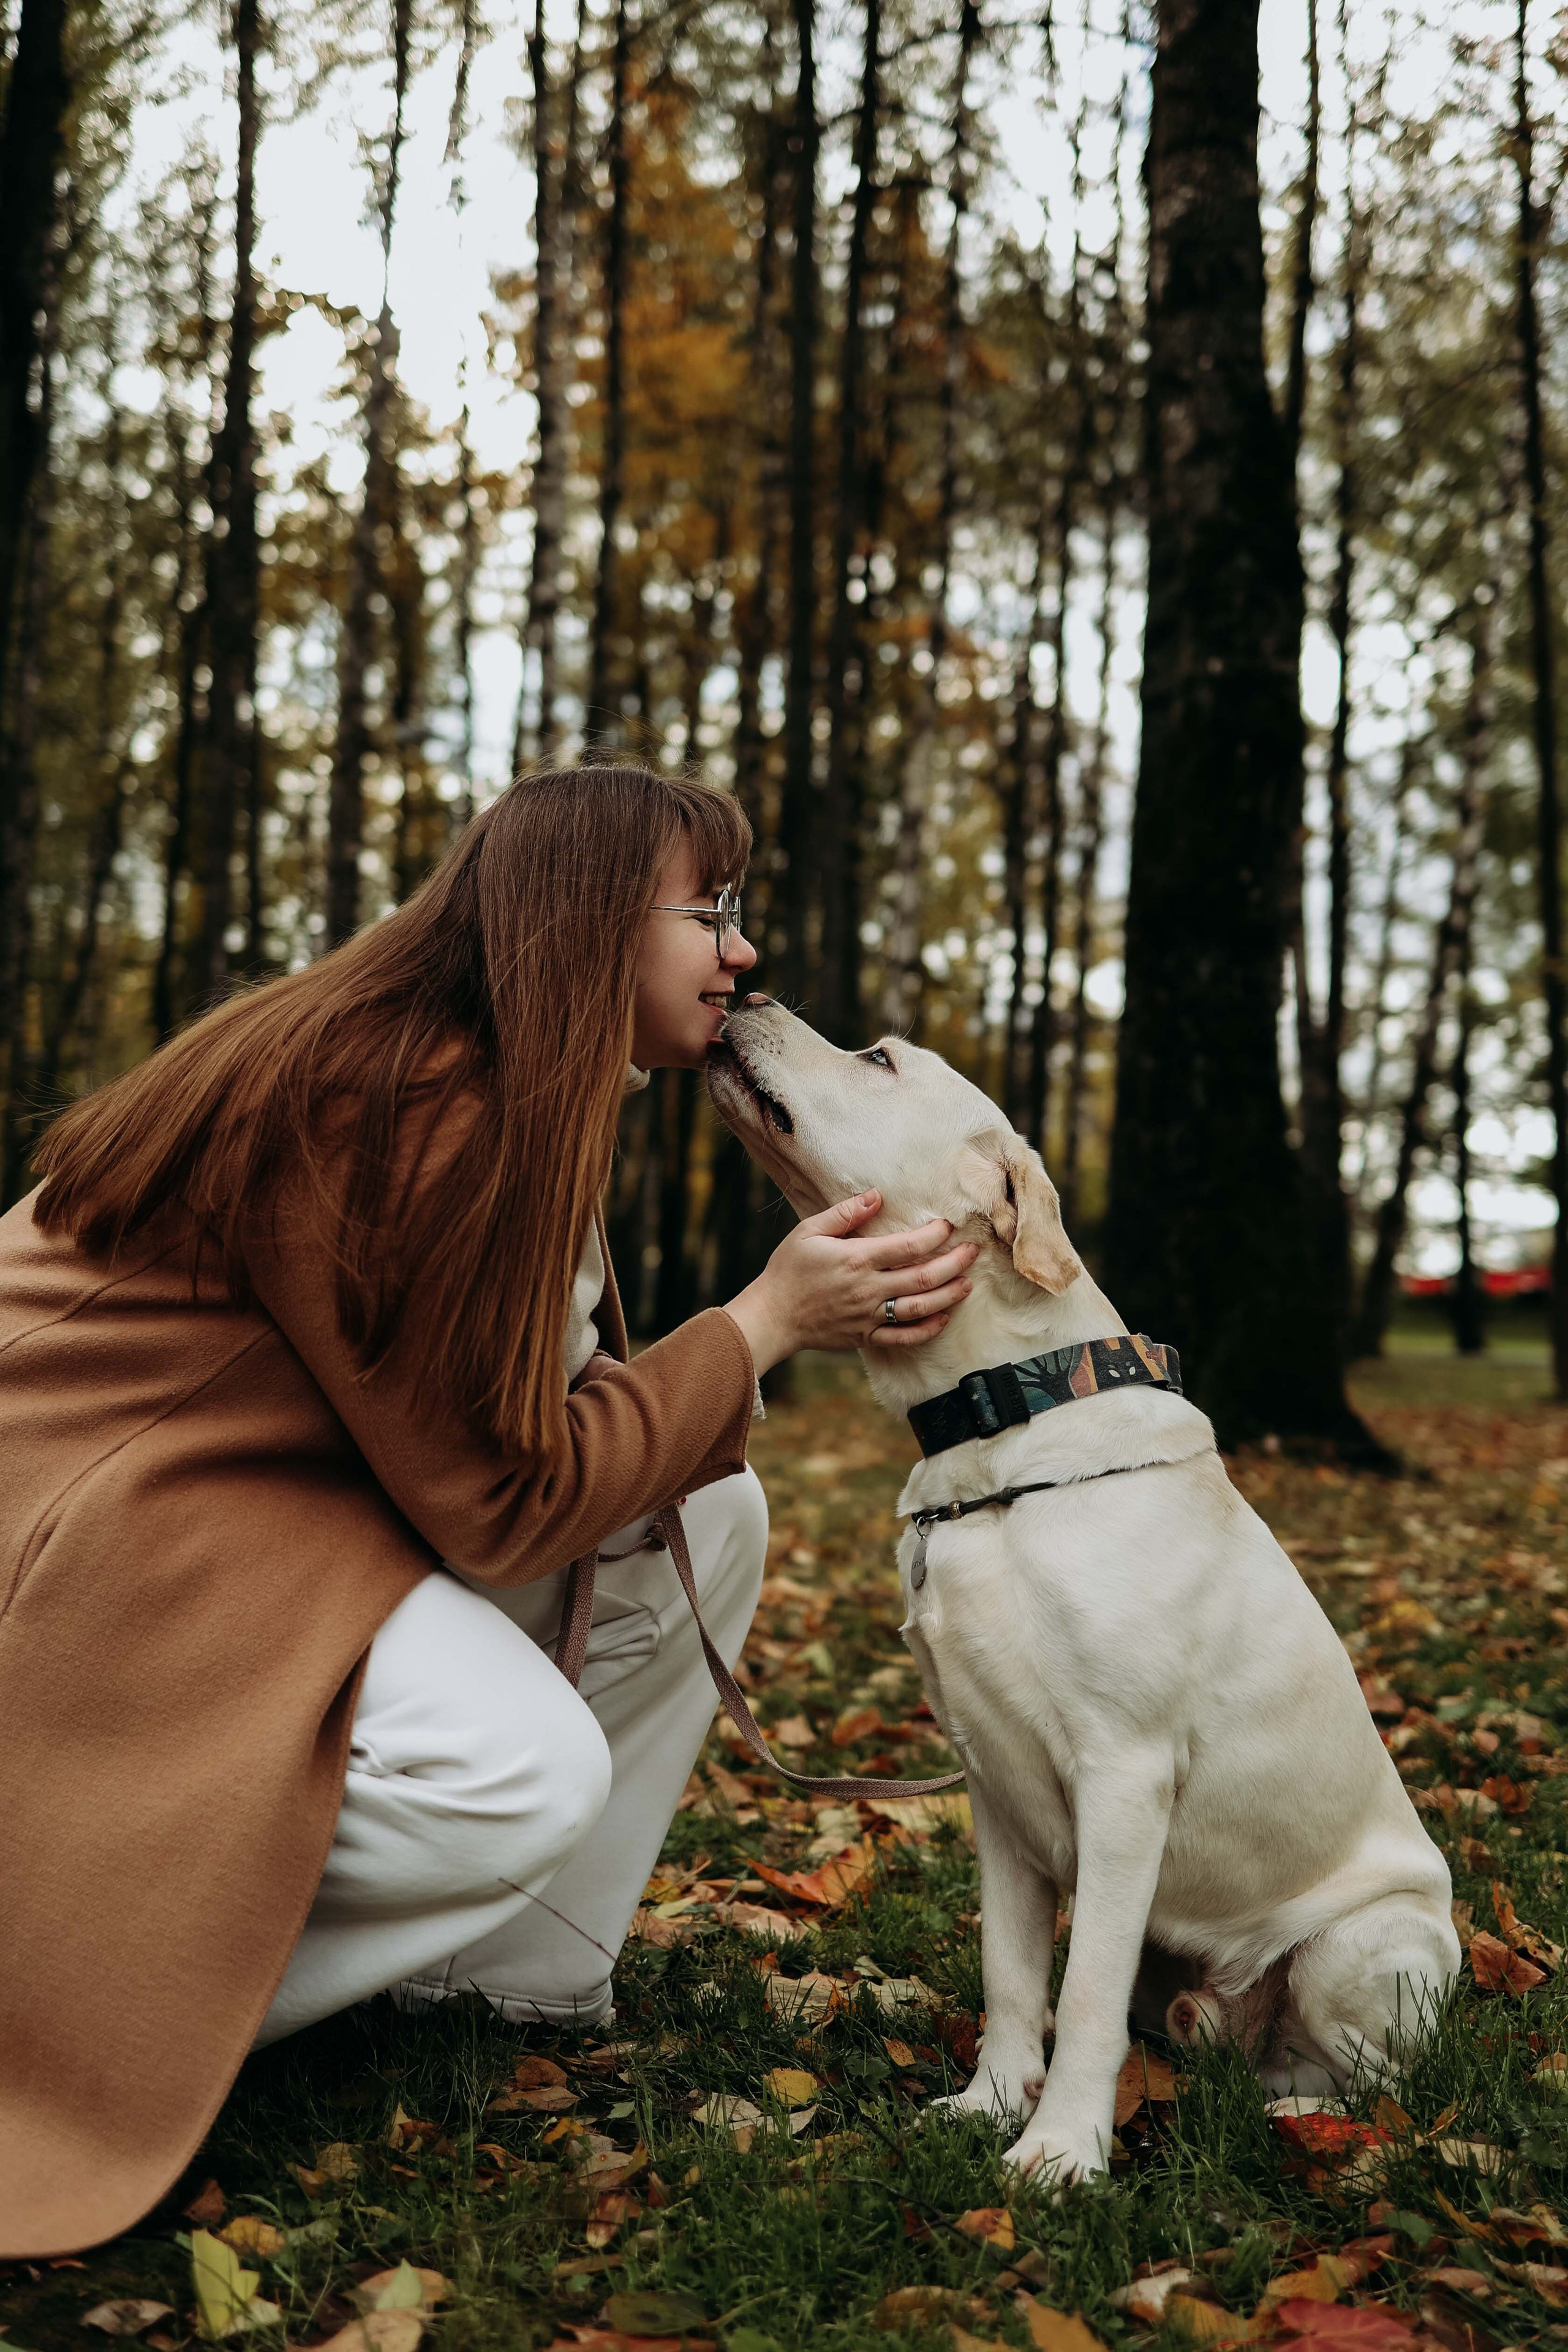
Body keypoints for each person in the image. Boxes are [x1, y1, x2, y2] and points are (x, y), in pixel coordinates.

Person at [0, 763, 978, 2258]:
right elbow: (503, 1507)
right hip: (90, 1527)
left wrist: (739, 1345)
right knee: (510, 1776)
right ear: (589, 917)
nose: (739, 951)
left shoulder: (487, 1076)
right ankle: (101, 1999)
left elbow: (518, 1428)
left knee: (707, 1521)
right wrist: (763, 1322)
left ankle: (501, 1978)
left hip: (236, 1500)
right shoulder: (401, 1098)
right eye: (708, 910)